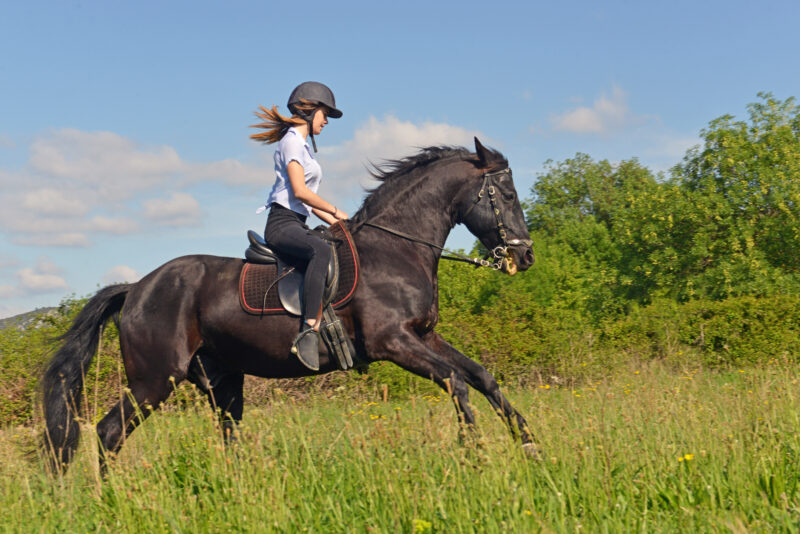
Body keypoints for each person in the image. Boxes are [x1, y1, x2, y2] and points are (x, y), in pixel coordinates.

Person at [250, 81, 348, 371]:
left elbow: (310, 206)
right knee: (320, 250)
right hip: (282, 224)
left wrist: (343, 225)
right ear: (310, 110)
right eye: (324, 114)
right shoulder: (292, 140)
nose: (326, 121)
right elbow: (300, 192)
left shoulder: (304, 147)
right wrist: (336, 210)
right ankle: (309, 329)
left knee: (333, 244)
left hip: (299, 221)